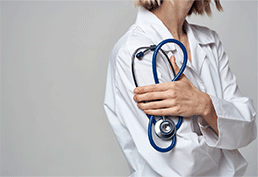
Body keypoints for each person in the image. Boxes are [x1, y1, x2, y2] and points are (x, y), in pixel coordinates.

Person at [104, 0, 257, 176]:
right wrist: (225, 134)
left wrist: (204, 104)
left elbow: (247, 127)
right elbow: (182, 163)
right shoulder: (134, 53)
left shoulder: (210, 41)